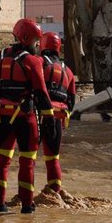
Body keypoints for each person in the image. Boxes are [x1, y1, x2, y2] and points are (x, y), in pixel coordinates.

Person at [0, 18, 57, 214]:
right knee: (27, 161)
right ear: (27, 38)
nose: (38, 44)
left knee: (2, 160)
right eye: (36, 40)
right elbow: (42, 94)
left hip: (2, 116)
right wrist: (50, 119)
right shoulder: (32, 61)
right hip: (25, 118)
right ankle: (27, 206)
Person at [39, 32, 76, 194]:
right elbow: (72, 101)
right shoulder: (67, 71)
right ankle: (55, 192)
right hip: (58, 117)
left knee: (28, 156)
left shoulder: (38, 63)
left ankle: (24, 198)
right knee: (53, 157)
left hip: (38, 115)